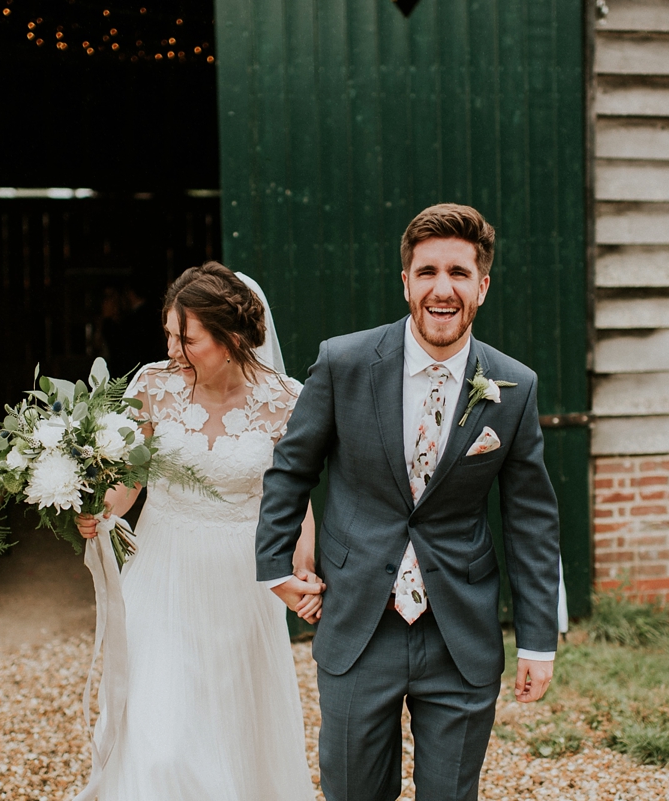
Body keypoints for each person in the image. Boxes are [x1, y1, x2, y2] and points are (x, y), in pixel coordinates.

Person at [255, 203, 562, 801]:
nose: (441, 289)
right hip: (357, 622)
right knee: (352, 792)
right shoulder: (344, 363)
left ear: (483, 286)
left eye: (458, 273)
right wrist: (276, 569)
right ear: (405, 282)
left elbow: (531, 521)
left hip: (460, 632)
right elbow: (292, 469)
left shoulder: (513, 385)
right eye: (427, 272)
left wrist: (536, 641)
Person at [73, 263, 318, 801]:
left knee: (227, 730)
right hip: (161, 571)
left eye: (187, 338)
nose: (174, 348)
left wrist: (301, 567)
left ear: (230, 338)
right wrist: (100, 509)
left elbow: (294, 502)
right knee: (158, 739)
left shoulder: (284, 400)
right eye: (169, 334)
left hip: (242, 584)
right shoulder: (153, 388)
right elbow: (130, 477)